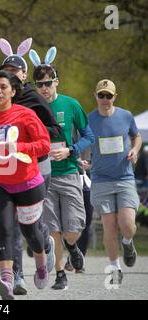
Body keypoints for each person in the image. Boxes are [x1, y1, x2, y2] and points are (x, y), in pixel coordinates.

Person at [0, 70, 51, 300]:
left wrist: (19, 148)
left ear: (13, 91)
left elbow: (44, 145)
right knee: (3, 230)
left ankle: (40, 262)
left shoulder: (26, 115)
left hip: (27, 182)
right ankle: (7, 281)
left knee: (32, 233)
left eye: (3, 87)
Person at [0, 37, 60, 294]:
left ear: (24, 75)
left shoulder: (33, 97)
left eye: (15, 72)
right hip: (9, 170)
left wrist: (26, 132)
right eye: (7, 71)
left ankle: (45, 241)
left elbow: (55, 130)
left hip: (37, 168)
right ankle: (18, 277)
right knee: (11, 224)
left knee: (30, 224)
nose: (11, 76)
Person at [29, 46, 95, 290]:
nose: (44, 88)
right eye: (39, 84)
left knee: (73, 228)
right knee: (52, 230)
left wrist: (71, 150)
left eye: (48, 83)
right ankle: (60, 275)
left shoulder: (71, 105)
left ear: (56, 82)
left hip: (68, 173)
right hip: (43, 177)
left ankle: (73, 246)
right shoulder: (31, 109)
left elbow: (89, 136)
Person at [88, 79, 142, 285]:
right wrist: (84, 158)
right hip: (101, 180)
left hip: (124, 178)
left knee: (127, 225)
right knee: (109, 227)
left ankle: (128, 242)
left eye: (108, 96)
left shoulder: (126, 116)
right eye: (101, 95)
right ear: (95, 96)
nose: (104, 99)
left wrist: (134, 150)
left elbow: (136, 137)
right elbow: (84, 140)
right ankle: (115, 268)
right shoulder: (89, 119)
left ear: (114, 97)